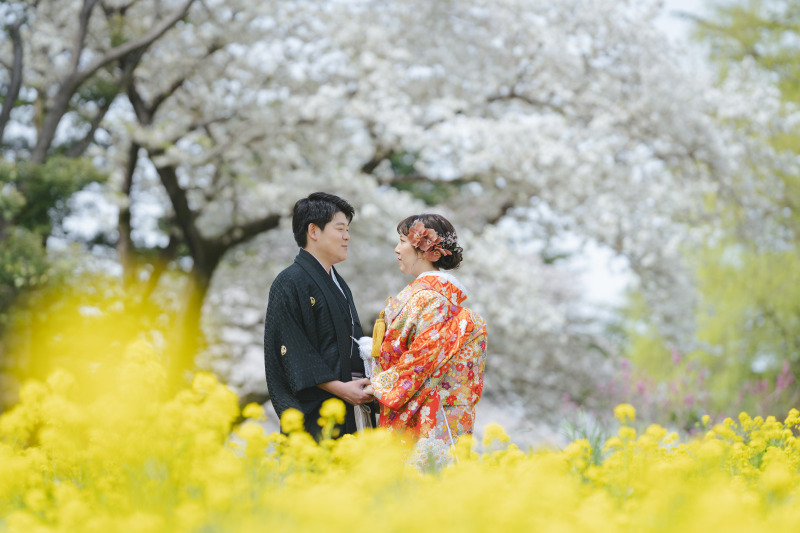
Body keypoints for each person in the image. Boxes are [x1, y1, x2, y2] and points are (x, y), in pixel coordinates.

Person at [365, 214, 487, 453]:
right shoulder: (436, 299)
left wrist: (378, 386)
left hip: (429, 417)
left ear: (423, 249)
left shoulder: (431, 300)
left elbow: (423, 357)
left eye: (402, 241)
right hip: (438, 411)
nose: (396, 249)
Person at [263, 192, 372, 439]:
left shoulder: (339, 284)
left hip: (351, 403)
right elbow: (294, 350)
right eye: (340, 228)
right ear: (314, 231)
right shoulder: (289, 282)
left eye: (348, 229)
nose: (347, 236)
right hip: (319, 412)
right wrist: (341, 389)